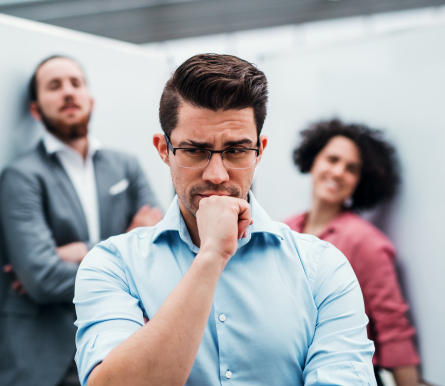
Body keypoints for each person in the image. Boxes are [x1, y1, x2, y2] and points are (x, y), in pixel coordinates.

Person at [73, 54, 376, 386]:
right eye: (194, 150)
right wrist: (210, 257)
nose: (216, 175)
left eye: (235, 151)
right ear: (163, 149)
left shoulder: (323, 268)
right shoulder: (114, 264)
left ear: (259, 150)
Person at [0, 56, 162, 386]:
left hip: (120, 350)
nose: (68, 92)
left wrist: (81, 250)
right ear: (36, 110)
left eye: (75, 83)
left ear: (90, 100)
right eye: (54, 86)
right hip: (43, 362)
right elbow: (43, 279)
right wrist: (122, 248)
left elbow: (156, 255)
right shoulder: (21, 176)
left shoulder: (126, 166)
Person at [284, 119, 421, 386]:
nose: (337, 172)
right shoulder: (285, 230)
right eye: (332, 159)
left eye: (351, 168)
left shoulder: (366, 242)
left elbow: (393, 327)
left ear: (360, 181)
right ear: (313, 161)